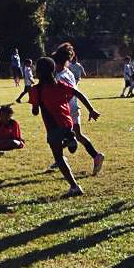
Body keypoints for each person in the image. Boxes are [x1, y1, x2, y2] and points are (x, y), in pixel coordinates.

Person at [29, 57, 101, 196]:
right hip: (67, 123)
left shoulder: (36, 90)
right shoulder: (60, 84)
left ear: (37, 72)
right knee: (66, 138)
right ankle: (70, 139)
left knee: (59, 157)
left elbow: (35, 110)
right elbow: (78, 93)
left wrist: (35, 107)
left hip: (53, 127)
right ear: (53, 69)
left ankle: (74, 187)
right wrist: (91, 109)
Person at [53, 43, 106, 176]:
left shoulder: (62, 77)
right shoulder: (66, 72)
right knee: (77, 135)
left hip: (68, 111)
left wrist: (91, 109)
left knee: (59, 136)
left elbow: (75, 93)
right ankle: (96, 156)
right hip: (73, 108)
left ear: (58, 63)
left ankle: (60, 158)